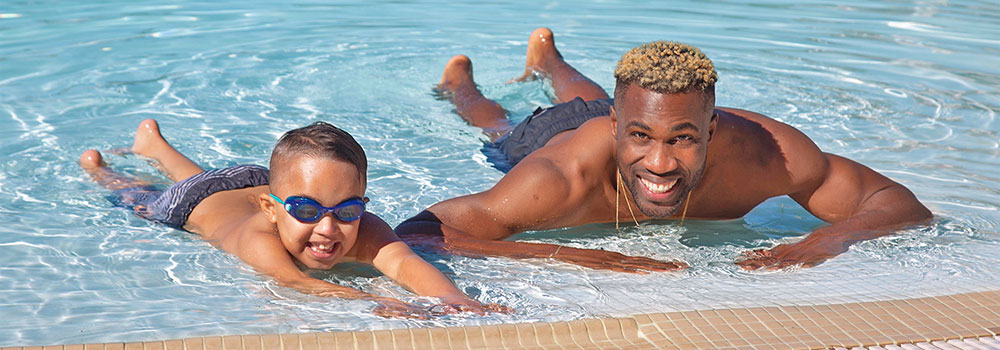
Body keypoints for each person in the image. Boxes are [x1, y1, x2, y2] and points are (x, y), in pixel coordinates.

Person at [396, 28, 932, 273]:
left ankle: (547, 59)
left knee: (588, 95)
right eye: (642, 139)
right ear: (617, 129)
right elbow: (419, 231)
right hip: (553, 136)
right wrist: (566, 253)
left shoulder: (772, 156)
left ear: (713, 128)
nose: (660, 164)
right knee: (497, 124)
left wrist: (828, 239)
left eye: (682, 139)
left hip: (616, 109)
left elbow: (899, 203)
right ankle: (459, 84)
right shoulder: (560, 181)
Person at [79, 119, 507, 318]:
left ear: (363, 205)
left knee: (206, 177)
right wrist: (374, 300)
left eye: (348, 211)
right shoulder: (258, 239)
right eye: (307, 213)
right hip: (189, 204)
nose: (327, 228)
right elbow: (298, 283)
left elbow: (407, 264)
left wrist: (458, 301)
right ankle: (102, 168)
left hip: (258, 181)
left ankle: (155, 145)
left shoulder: (356, 221)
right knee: (139, 197)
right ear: (273, 209)